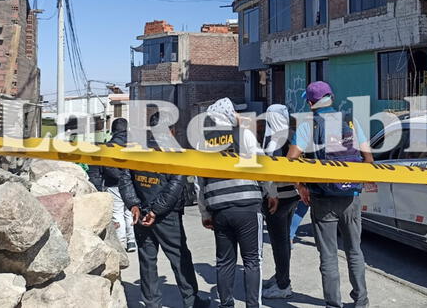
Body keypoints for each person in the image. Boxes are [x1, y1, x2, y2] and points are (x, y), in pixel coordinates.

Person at [286, 81, 373, 308]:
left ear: (310, 103)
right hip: (351, 196)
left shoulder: (309, 125)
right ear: (331, 97)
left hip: (322, 198)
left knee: (329, 256)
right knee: (354, 251)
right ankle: (361, 300)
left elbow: (290, 160)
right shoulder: (350, 121)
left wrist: (301, 186)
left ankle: (333, 304)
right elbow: (369, 159)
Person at [118, 112, 209, 308]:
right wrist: (155, 211)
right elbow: (175, 187)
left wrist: (134, 205)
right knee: (179, 258)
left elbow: (125, 179)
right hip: (165, 216)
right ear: (171, 129)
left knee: (147, 260)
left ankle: (151, 303)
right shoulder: (174, 152)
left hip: (141, 213)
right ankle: (192, 301)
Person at [197, 97, 269, 308]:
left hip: (219, 210)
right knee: (252, 261)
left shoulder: (204, 142)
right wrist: (270, 192)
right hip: (247, 206)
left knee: (224, 262)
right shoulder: (243, 133)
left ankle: (226, 305)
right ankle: (252, 305)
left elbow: (199, 181)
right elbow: (261, 164)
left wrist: (204, 212)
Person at [260, 104, 300, 299]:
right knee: (284, 239)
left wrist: (271, 193)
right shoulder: (291, 134)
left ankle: (283, 285)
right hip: (293, 195)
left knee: (279, 242)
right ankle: (281, 276)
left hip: (278, 198)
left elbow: (271, 170)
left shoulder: (273, 138)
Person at [88, 118, 136, 252]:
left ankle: (120, 244)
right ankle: (132, 241)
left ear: (113, 131)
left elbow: (102, 170)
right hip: (132, 185)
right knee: (130, 212)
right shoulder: (135, 146)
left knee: (117, 214)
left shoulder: (107, 147)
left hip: (113, 185)